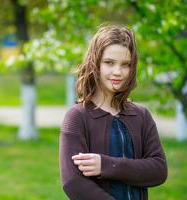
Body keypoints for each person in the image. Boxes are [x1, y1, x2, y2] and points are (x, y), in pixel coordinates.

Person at [59, 25, 168, 200]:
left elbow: (159, 170)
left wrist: (106, 165)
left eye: (126, 65)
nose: (118, 72)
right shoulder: (77, 117)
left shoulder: (141, 115)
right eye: (109, 62)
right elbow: (73, 183)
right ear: (95, 63)